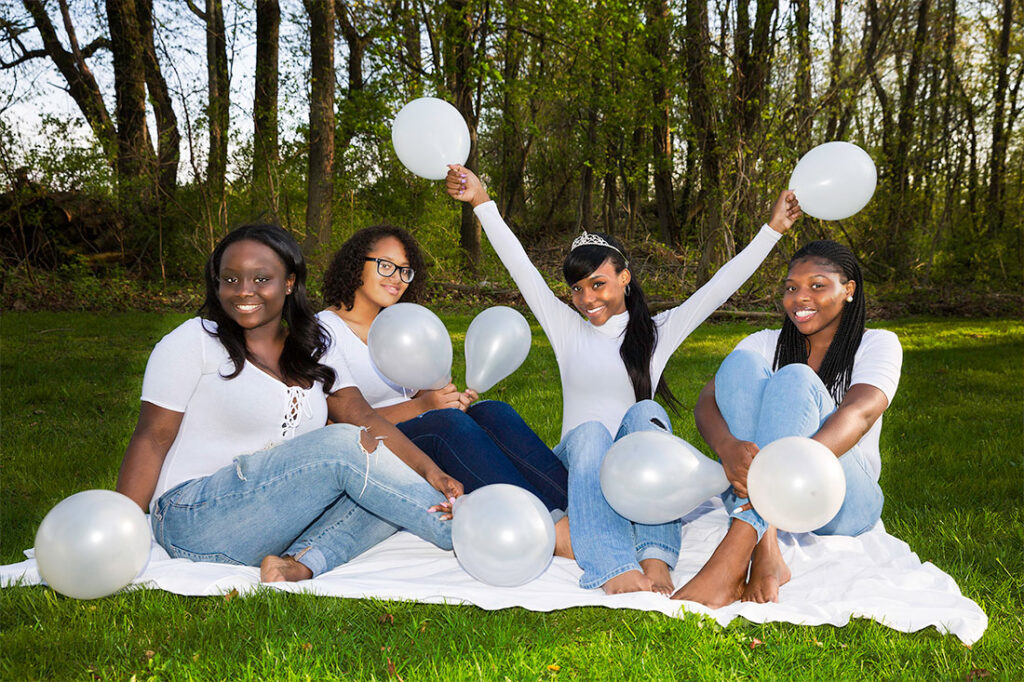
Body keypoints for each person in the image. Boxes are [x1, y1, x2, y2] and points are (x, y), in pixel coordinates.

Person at [447, 165, 801, 594]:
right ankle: (611, 564)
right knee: (594, 431)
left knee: (647, 411)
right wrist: (482, 203)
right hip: (578, 469)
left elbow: (718, 286)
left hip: (641, 478)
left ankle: (657, 561)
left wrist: (773, 229)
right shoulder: (567, 329)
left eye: (597, 284)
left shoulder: (657, 332)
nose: (586, 299)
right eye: (577, 289)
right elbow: (520, 267)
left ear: (624, 278)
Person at [116, 224, 463, 584]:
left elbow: (361, 414)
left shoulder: (315, 343)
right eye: (230, 279)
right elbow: (152, 438)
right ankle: (463, 533)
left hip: (271, 522)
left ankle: (299, 562)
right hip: (193, 521)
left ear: (289, 282)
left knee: (382, 485)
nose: (244, 291)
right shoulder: (194, 340)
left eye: (261, 278)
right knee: (345, 444)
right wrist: (120, 529)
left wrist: (427, 471)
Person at [671, 240, 901, 607]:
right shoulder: (763, 342)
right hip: (770, 494)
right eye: (792, 287)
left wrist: (777, 472)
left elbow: (860, 412)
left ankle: (737, 546)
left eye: (817, 285)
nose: (800, 297)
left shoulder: (877, 343)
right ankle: (767, 549)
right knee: (739, 366)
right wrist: (727, 448)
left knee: (796, 379)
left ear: (849, 290)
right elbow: (707, 400)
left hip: (841, 501)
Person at [317, 224, 571, 554]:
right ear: (355, 265)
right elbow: (344, 421)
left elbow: (424, 395)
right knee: (445, 426)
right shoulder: (324, 331)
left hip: (419, 428)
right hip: (372, 446)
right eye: (386, 265)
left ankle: (577, 509)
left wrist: (447, 400)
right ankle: (545, 527)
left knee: (492, 412)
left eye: (405, 271)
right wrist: (427, 408)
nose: (397, 278)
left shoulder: (401, 325)